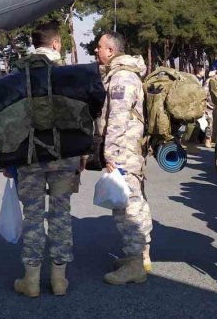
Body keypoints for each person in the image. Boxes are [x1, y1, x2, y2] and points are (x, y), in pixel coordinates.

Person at [12, 22, 83, 297]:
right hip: (64, 155)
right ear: (56, 44)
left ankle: (31, 280)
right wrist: (83, 154)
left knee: (32, 216)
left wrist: (9, 160)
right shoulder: (69, 73)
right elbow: (84, 116)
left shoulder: (19, 73)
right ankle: (59, 279)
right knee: (60, 214)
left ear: (34, 44)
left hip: (28, 155)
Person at [94, 31, 152, 285]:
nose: (96, 51)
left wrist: (110, 154)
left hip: (122, 153)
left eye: (100, 47)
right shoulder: (123, 74)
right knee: (136, 204)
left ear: (111, 51)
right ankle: (139, 257)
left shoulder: (121, 77)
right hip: (128, 151)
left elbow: (117, 118)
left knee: (127, 209)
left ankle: (135, 265)